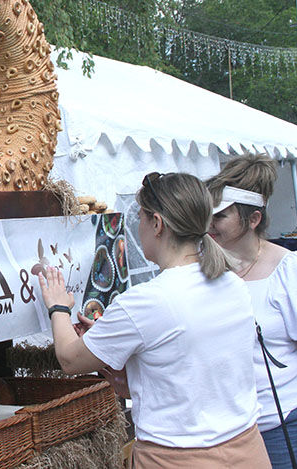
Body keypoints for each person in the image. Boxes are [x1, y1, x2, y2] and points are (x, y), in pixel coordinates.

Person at [39, 172, 270, 468]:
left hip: (179, 459)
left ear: (157, 224)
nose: (139, 229)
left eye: (142, 220)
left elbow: (70, 360)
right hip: (247, 450)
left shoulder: (147, 301)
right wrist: (122, 354)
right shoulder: (232, 283)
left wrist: (58, 307)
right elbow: (195, 366)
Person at [206, 154, 297, 469]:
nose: (209, 225)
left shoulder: (289, 270)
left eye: (220, 216)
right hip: (221, 432)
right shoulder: (205, 268)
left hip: (279, 428)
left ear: (253, 219)